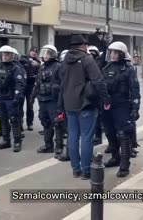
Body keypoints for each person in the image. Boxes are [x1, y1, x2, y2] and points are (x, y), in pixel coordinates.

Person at [59, 35, 109, 180]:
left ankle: (76, 169)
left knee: (73, 137)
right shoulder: (87, 59)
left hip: (69, 104)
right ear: (82, 46)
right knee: (87, 138)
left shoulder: (65, 61)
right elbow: (98, 80)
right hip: (85, 104)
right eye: (86, 45)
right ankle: (86, 170)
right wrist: (105, 98)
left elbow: (62, 84)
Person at [102, 42, 140, 177]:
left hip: (122, 105)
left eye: (115, 52)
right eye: (111, 52)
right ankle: (115, 157)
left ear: (122, 54)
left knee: (123, 134)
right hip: (107, 106)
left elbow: (135, 89)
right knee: (109, 132)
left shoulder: (128, 69)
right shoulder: (106, 67)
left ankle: (125, 164)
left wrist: (135, 108)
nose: (112, 55)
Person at [31, 45, 63, 157]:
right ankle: (48, 145)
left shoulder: (58, 66)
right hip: (43, 99)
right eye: (44, 53)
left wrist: (60, 101)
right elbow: (37, 83)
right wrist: (32, 97)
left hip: (53, 99)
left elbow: (63, 85)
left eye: (48, 53)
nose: (45, 56)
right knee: (45, 122)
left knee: (57, 123)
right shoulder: (42, 67)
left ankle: (59, 146)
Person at [0, 45, 26, 152]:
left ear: (11, 56)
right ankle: (6, 140)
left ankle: (17, 141)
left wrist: (17, 97)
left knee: (14, 120)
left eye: (7, 54)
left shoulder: (15, 68)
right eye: (3, 54)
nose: (4, 57)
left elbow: (19, 83)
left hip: (11, 98)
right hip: (1, 98)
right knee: (3, 120)